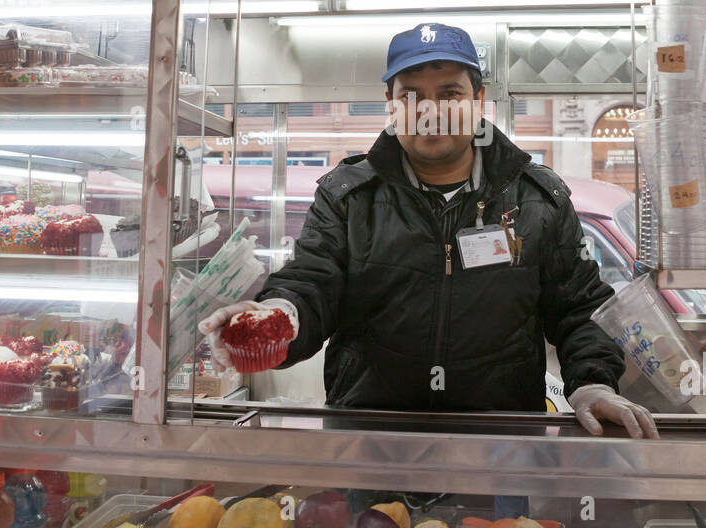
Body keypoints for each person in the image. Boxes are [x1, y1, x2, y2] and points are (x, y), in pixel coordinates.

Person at [201, 22, 657, 439]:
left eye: (449, 94)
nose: (430, 110)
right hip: (370, 438)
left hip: (500, 442)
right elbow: (312, 283)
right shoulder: (347, 197)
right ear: (392, 105)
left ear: (478, 100)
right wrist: (276, 317)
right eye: (412, 95)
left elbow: (580, 309)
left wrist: (592, 384)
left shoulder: (537, 199)